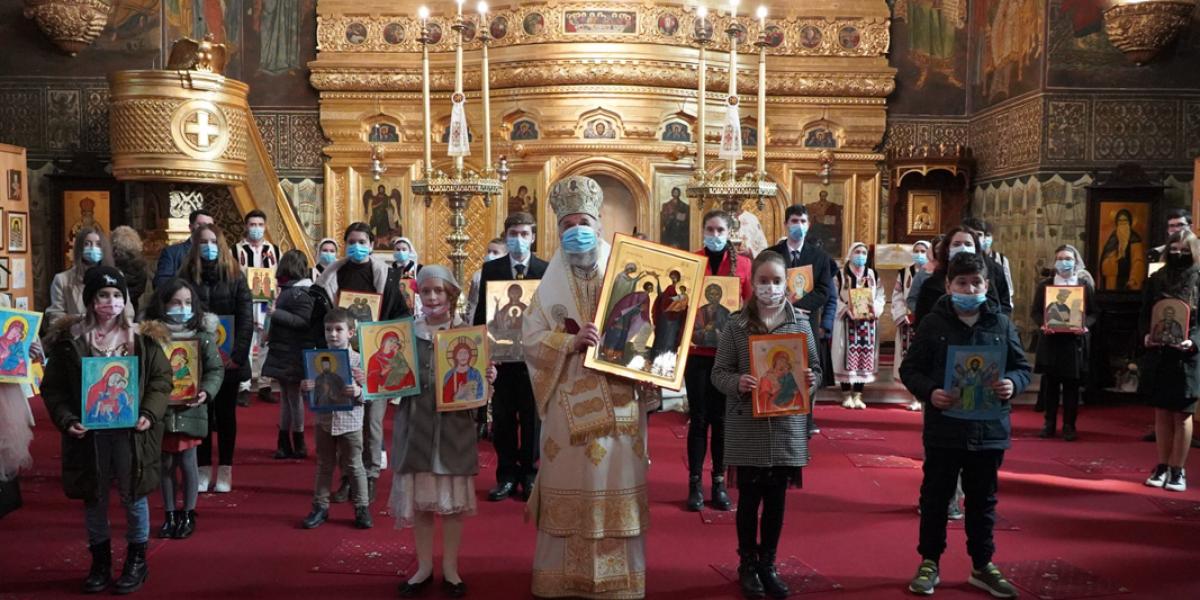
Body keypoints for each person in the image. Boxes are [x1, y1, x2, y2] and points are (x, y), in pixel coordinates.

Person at [522, 176, 651, 599]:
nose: (577, 230)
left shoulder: (627, 275)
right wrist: (569, 342)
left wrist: (636, 348)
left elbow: (651, 335)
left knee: (614, 480)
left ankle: (619, 581)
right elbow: (530, 339)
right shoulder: (549, 287)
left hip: (619, 401)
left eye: (584, 223)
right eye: (568, 224)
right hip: (569, 401)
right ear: (558, 230)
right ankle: (562, 579)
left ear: (598, 225)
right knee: (571, 477)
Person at [899, 252, 1031, 598]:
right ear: (949, 285)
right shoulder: (933, 323)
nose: (969, 289)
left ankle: (982, 564)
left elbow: (1022, 367)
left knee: (983, 500)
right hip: (945, 428)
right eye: (962, 283)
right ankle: (929, 561)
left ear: (986, 285)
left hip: (989, 431)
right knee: (936, 497)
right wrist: (931, 392)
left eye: (976, 283)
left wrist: (1013, 384)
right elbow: (910, 369)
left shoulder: (1001, 324)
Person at [41, 267, 173, 595]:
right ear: (90, 299)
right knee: (95, 497)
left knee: (133, 495)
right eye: (103, 295)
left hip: (132, 434)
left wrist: (149, 412)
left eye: (116, 295)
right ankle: (100, 561)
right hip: (89, 434)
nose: (110, 302)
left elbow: (161, 380)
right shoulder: (71, 341)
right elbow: (54, 388)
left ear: (124, 300)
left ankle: (137, 559)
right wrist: (67, 419)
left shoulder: (142, 339)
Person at [711, 250, 820, 599]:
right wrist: (737, 382)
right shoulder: (736, 325)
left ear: (786, 283)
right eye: (763, 280)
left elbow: (816, 370)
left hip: (787, 426)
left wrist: (809, 380)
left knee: (776, 500)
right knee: (748, 499)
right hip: (748, 424)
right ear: (752, 282)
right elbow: (718, 373)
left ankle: (768, 564)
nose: (770, 287)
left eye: (776, 281)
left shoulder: (801, 325)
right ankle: (747, 563)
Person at [393, 265, 496, 597]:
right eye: (426, 291)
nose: (432, 297)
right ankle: (424, 567)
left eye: (438, 290)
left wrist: (487, 377)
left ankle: (451, 568)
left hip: (453, 429)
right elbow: (392, 378)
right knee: (422, 504)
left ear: (451, 295)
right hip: (416, 426)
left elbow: (477, 388)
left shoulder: (467, 334)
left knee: (452, 505)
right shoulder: (407, 333)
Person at [315, 223, 413, 504]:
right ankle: (349, 477)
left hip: (377, 358)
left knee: (372, 422)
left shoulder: (387, 276)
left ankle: (369, 476)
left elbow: (400, 316)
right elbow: (321, 316)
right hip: (342, 357)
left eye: (362, 242)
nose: (357, 246)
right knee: (345, 421)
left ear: (371, 245)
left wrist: (390, 344)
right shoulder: (332, 276)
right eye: (352, 242)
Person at [472, 212, 548, 502]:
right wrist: (484, 352)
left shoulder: (544, 270)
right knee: (503, 418)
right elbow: (484, 313)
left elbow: (550, 314)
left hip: (533, 359)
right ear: (506, 236)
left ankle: (529, 474)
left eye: (524, 234)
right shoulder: (492, 269)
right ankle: (505, 475)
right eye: (513, 234)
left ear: (533, 237)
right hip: (501, 358)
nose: (518, 239)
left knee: (531, 419)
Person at [143, 279, 224, 540]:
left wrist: (206, 391)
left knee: (189, 462)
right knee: (165, 464)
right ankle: (169, 514)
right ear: (163, 304)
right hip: (162, 411)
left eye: (188, 302)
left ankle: (188, 513)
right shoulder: (152, 337)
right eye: (176, 302)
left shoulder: (202, 335)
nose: (183, 308)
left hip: (191, 409)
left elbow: (215, 369)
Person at [684, 210, 752, 512]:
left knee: (722, 421)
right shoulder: (692, 261)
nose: (714, 235)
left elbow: (751, 307)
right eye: (710, 229)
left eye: (720, 230)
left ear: (729, 232)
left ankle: (719, 483)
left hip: (728, 358)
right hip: (696, 355)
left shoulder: (744, 265)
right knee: (699, 419)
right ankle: (695, 484)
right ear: (703, 231)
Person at [178, 224, 253, 493]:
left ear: (220, 245)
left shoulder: (235, 276)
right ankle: (201, 468)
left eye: (213, 241)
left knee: (225, 414)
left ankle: (225, 469)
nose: (208, 247)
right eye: (203, 242)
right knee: (201, 414)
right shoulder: (186, 276)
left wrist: (238, 355)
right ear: (195, 246)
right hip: (197, 357)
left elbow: (246, 319)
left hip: (228, 358)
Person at [301, 308, 373, 530]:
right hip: (325, 421)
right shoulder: (316, 359)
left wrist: (358, 392)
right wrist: (307, 389)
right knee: (324, 465)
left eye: (338, 329)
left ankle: (362, 508)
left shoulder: (359, 360)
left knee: (354, 465)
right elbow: (313, 395)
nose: (333, 334)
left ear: (350, 332)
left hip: (351, 422)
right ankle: (320, 507)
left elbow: (371, 395)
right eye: (328, 329)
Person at [1139, 230, 1200, 493]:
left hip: (1187, 356)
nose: (1178, 254)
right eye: (1174, 249)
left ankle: (1178, 469)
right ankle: (1162, 465)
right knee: (1162, 412)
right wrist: (1146, 334)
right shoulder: (1156, 278)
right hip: (1160, 353)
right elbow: (1145, 313)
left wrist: (1194, 341)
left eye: (1184, 250)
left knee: (1182, 414)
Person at [1031, 245, 1096, 441]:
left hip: (1073, 344)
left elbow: (1093, 313)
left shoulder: (1083, 285)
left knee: (1071, 387)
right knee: (1050, 386)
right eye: (1059, 258)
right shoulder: (1045, 285)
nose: (1063, 262)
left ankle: (1069, 425)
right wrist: (1043, 324)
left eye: (1068, 258)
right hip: (1051, 341)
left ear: (1075, 262)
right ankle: (1049, 423)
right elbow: (1035, 312)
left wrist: (1085, 325)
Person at [262, 250, 316, 459]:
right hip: (283, 348)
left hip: (293, 350)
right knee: (286, 397)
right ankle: (284, 441)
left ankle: (298, 441)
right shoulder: (290, 290)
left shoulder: (302, 292)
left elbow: (304, 321)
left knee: (293, 397)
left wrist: (277, 314)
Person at [913, 227, 1011, 326]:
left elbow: (1002, 307)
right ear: (947, 249)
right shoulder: (931, 284)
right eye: (957, 244)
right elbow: (922, 321)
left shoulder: (989, 276)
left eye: (968, 244)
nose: (963, 248)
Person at [833, 242, 885, 409]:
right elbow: (833, 296)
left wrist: (875, 309)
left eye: (863, 252)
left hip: (867, 323)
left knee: (864, 355)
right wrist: (844, 309)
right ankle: (846, 394)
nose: (861, 255)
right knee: (844, 355)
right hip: (846, 321)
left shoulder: (872, 274)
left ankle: (858, 395)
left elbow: (880, 295)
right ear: (850, 254)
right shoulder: (840, 274)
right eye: (857, 252)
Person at [236, 210, 280, 404]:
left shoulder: (273, 249)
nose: (256, 228)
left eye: (260, 225)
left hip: (266, 303)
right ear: (246, 226)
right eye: (252, 225)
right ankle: (244, 386)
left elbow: (280, 274)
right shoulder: (236, 249)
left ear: (265, 226)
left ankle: (264, 385)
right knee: (245, 342)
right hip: (245, 301)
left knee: (265, 343)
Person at [767, 205, 833, 326]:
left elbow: (823, 291)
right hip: (776, 319)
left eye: (803, 221)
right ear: (785, 224)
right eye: (794, 221)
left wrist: (795, 304)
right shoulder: (770, 254)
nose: (799, 225)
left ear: (808, 225)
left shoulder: (821, 257)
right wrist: (784, 304)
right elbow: (764, 285)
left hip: (807, 319)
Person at [47, 226, 123, 326]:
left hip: (111, 333)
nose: (93, 248)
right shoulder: (62, 280)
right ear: (79, 248)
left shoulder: (116, 276)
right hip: (77, 333)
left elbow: (128, 312)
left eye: (98, 244)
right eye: (87, 244)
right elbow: (56, 317)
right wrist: (83, 320)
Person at [892, 241, 931, 411]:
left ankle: (924, 395)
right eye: (917, 251)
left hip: (927, 321)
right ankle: (914, 396)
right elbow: (897, 296)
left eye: (923, 251)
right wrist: (903, 314)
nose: (920, 254)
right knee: (910, 358)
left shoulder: (933, 271)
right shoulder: (904, 273)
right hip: (908, 322)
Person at [153, 209, 214, 290]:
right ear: (190, 227)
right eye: (200, 225)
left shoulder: (217, 252)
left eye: (209, 226)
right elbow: (161, 283)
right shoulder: (172, 253)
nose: (205, 229)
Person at [962, 218, 1014, 310]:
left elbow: (1005, 298)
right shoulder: (953, 263)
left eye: (979, 235)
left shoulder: (995, 267)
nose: (976, 238)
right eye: (971, 234)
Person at [1100, 209, 1147, 292]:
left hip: (1129, 279)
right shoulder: (1113, 238)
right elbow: (1105, 257)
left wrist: (1133, 278)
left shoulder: (1135, 238)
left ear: (1130, 222)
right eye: (1120, 221)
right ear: (1116, 223)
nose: (1122, 223)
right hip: (1114, 279)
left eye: (1125, 220)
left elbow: (1138, 261)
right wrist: (1109, 260)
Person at [111, 226, 152, 315]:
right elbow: (140, 289)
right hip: (132, 308)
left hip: (111, 307)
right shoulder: (141, 265)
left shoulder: (111, 264)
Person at [465, 238, 506, 322]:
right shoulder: (478, 275)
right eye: (489, 252)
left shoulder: (509, 275)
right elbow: (472, 301)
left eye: (495, 252)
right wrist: (471, 319)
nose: (490, 255)